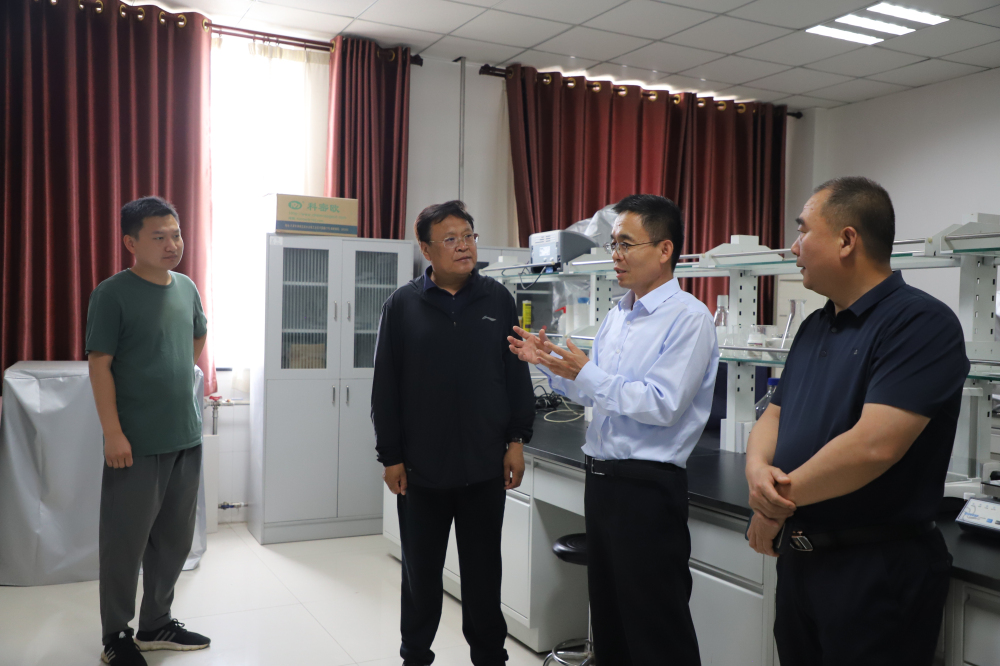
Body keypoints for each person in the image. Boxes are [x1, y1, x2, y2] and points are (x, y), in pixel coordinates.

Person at [745, 177, 968, 665]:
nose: (794, 246)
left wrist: (773, 504)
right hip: (802, 560)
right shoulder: (815, 325)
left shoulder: (920, 323)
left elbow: (873, 447)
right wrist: (758, 473)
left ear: (847, 240)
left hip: (876, 569)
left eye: (803, 230)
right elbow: (774, 414)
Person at [509, 194, 717, 666]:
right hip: (602, 481)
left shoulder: (689, 317)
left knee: (655, 629)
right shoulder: (619, 313)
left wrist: (586, 373)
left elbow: (662, 404)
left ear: (664, 250)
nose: (615, 255)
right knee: (611, 624)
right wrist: (552, 367)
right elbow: (596, 393)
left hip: (647, 488)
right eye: (613, 244)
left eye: (626, 244)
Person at [371, 200, 535, 666]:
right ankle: (415, 655)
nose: (464, 246)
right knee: (420, 577)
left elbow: (515, 375)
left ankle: (489, 656)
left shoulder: (497, 300)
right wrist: (391, 456)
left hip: (485, 467)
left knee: (484, 575)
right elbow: (385, 388)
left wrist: (517, 441)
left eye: (469, 236)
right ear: (426, 249)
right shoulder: (402, 305)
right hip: (421, 470)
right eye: (450, 239)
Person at [86, 196, 211, 666]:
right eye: (159, 237)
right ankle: (116, 635)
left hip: (185, 435)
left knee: (174, 540)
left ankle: (156, 622)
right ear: (131, 243)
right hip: (135, 442)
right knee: (125, 543)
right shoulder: (112, 293)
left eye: (175, 234)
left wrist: (172, 369)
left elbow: (198, 333)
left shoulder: (186, 287)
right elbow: (100, 364)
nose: (172, 244)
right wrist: (112, 432)